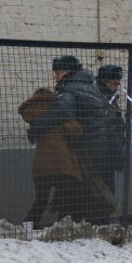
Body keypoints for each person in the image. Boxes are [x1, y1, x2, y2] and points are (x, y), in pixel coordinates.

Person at [27, 56, 115, 224]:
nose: (56, 76)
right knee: (90, 187)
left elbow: (59, 111)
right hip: (98, 142)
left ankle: (79, 224)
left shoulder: (72, 90)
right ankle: (90, 223)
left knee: (83, 190)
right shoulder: (89, 86)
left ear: (68, 72)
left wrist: (35, 128)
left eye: (58, 72)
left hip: (87, 144)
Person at [19, 88, 86, 228]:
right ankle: (63, 227)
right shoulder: (57, 112)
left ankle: (26, 227)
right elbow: (75, 131)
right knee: (66, 199)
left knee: (41, 200)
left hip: (40, 166)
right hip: (62, 166)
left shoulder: (34, 115)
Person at [96, 65, 126, 193]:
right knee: (105, 194)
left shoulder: (109, 98)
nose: (116, 87)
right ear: (104, 82)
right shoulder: (100, 100)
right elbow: (109, 130)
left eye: (118, 84)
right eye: (114, 83)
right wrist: (119, 156)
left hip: (108, 154)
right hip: (102, 156)